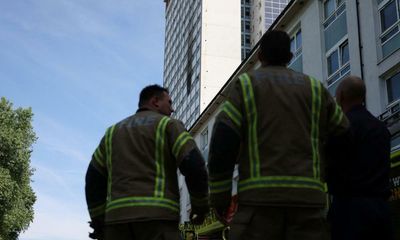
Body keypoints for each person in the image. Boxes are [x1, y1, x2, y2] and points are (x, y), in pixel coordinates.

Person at [207, 30, 349, 240]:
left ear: (260, 56)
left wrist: (220, 197)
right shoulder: (315, 88)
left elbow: (222, 142)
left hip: (259, 208)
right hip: (308, 206)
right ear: (290, 57)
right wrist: (327, 174)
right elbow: (344, 134)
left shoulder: (246, 86)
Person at [85, 85, 209, 240]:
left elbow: (93, 180)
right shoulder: (169, 125)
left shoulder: (112, 133)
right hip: (158, 222)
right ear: (155, 101)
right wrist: (200, 207)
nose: (173, 109)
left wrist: (98, 220)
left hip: (116, 224)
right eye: (169, 103)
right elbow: (194, 165)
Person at [326, 76, 393, 240]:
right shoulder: (381, 128)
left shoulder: (340, 129)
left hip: (349, 212)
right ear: (363, 96)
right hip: (381, 212)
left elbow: (329, 167)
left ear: (340, 97)